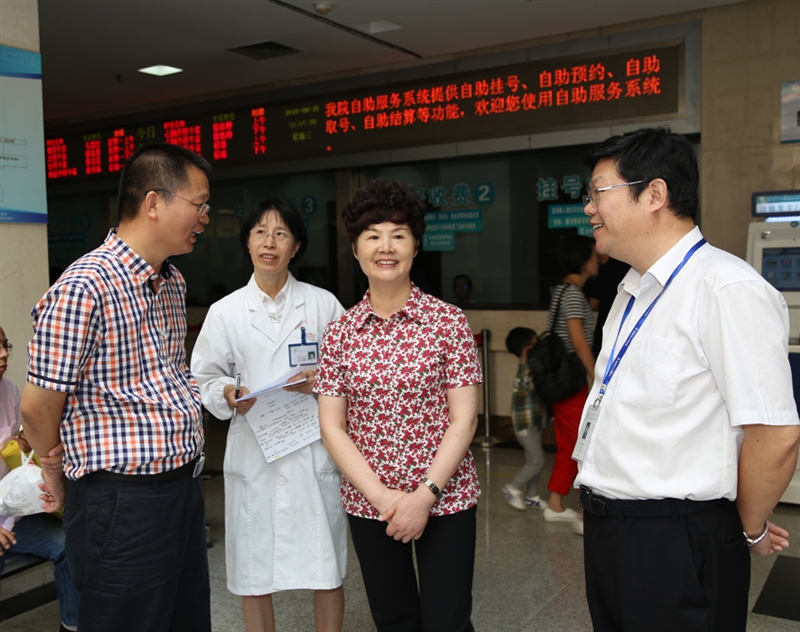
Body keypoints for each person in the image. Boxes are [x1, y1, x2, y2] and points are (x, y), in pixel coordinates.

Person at [576, 126, 800, 632]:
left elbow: (775, 432)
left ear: (655, 194)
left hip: (676, 539)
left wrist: (746, 529)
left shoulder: (726, 288)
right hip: (612, 531)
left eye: (599, 192)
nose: (589, 208)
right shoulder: (632, 290)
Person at [20, 143, 213, 632]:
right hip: (122, 501)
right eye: (199, 204)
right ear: (154, 203)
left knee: (185, 619)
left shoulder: (170, 282)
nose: (205, 217)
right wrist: (55, 472)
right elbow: (38, 408)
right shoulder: (84, 287)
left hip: (182, 490)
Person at [315, 179, 483, 632]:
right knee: (394, 620)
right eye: (372, 235)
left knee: (447, 621)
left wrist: (423, 496)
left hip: (445, 497)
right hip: (371, 502)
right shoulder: (340, 333)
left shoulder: (448, 322)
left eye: (398, 234)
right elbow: (332, 427)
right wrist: (384, 498)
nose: (385, 247)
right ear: (356, 249)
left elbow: (464, 419)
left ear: (415, 246)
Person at [191, 199, 347, 632]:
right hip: (254, 451)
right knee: (253, 572)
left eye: (281, 234)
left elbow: (351, 369)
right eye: (260, 232)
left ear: (296, 246)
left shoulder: (323, 305)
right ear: (247, 242)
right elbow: (203, 376)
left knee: (326, 566)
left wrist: (321, 379)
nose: (269, 243)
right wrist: (228, 393)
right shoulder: (226, 311)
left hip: (312, 448)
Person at [0, 326, 80, 632]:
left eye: (5, 345)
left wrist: (24, 441)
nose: (4, 354)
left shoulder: (9, 390)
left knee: (70, 544)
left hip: (12, 513)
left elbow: (18, 445)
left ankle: (72, 626)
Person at [542, 234, 598, 535]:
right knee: (585, 445)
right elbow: (578, 342)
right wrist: (597, 377)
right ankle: (583, 513)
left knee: (569, 445)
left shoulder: (562, 291)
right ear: (582, 259)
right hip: (572, 382)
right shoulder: (573, 294)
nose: (598, 259)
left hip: (560, 382)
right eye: (593, 254)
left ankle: (554, 504)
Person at [501, 327, 548, 511]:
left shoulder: (527, 366)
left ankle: (532, 496)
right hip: (525, 425)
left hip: (532, 423)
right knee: (537, 461)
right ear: (527, 348)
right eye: (536, 343)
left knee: (532, 460)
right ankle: (512, 487)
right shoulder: (525, 368)